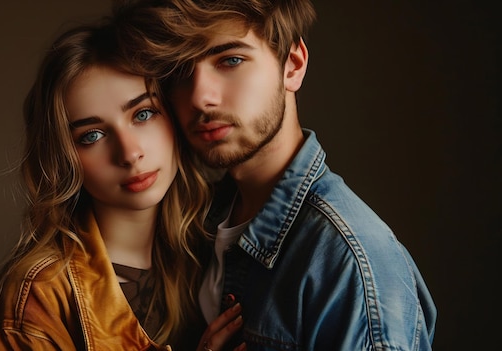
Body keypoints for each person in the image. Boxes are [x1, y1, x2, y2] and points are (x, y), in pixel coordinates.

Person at [114, 0, 438, 350]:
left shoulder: (349, 263)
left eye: (230, 60)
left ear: (293, 65)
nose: (200, 97)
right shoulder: (199, 219)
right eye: (178, 72)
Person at [0, 19, 244, 351]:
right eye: (92, 136)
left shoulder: (217, 246)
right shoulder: (38, 300)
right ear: (64, 158)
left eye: (143, 114)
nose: (129, 153)